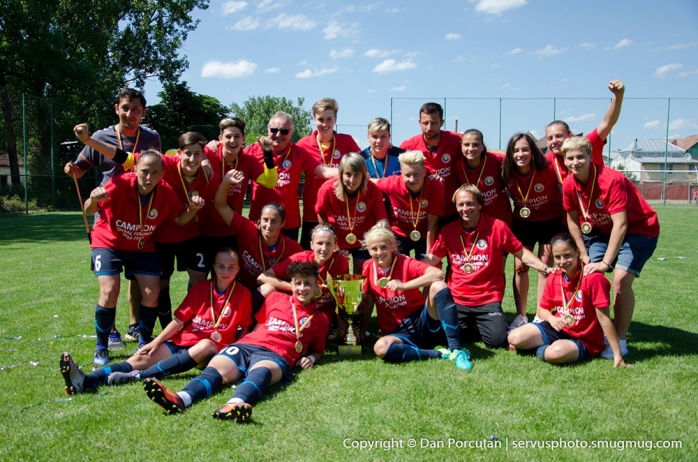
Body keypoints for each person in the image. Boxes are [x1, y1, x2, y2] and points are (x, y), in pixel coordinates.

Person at [73, 127, 217, 337]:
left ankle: (193, 325)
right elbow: (121, 155)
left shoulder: (206, 172)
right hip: (158, 237)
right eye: (188, 153)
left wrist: (207, 162)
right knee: (155, 285)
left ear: (204, 155)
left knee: (197, 280)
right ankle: (164, 329)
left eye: (198, 154)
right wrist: (88, 141)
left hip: (188, 233)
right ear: (178, 153)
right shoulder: (162, 164)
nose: (193, 158)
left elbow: (225, 146)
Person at [143, 262, 329, 422]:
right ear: (291, 285)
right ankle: (181, 398)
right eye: (297, 283)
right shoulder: (275, 298)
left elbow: (318, 350)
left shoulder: (321, 319)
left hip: (275, 355)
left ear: (316, 288)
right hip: (247, 345)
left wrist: (311, 358)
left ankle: (235, 404)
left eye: (307, 284)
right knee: (216, 370)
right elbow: (258, 325)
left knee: (261, 372)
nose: (302, 288)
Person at [59, 248, 253, 393]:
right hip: (183, 342)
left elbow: (244, 327)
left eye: (231, 267)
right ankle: (86, 381)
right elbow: (177, 321)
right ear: (213, 266)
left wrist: (233, 353)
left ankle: (139, 376)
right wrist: (155, 341)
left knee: (205, 344)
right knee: (139, 357)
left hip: (212, 351)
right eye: (221, 266)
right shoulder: (201, 289)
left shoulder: (243, 295)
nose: (225, 271)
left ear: (238, 269)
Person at [84, 150, 204, 365]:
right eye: (144, 172)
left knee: (153, 290)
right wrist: (93, 199)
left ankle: (144, 341)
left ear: (162, 174)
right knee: (110, 290)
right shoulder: (119, 183)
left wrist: (193, 209)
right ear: (135, 170)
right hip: (108, 243)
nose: (149, 178)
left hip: (141, 246)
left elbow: (179, 220)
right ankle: (101, 346)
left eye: (155, 173)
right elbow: (88, 209)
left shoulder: (166, 192)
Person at [65, 88, 162, 348]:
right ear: (116, 109)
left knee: (138, 277)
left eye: (136, 110)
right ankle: (111, 331)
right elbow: (80, 169)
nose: (130, 114)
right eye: (125, 108)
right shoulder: (100, 137)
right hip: (108, 213)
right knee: (110, 283)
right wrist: (72, 170)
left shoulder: (151, 138)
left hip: (140, 216)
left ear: (144, 112)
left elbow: (156, 168)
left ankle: (134, 325)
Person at [561, 136, 659, 358]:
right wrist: (584, 254)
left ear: (590, 157)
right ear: (564, 160)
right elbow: (572, 221)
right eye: (570, 158)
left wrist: (606, 263)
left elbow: (621, 224)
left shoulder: (611, 180)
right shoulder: (569, 183)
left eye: (580, 157)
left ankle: (620, 340)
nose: (575, 162)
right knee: (588, 275)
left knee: (621, 280)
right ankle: (590, 333)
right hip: (602, 232)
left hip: (640, 230)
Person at [422, 184, 550, 350]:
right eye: (460, 205)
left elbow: (522, 253)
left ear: (480, 204)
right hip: (458, 299)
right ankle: (472, 325)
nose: (465, 208)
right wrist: (403, 264)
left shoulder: (497, 227)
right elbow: (433, 259)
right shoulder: (448, 230)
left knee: (496, 342)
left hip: (487, 298)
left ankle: (479, 324)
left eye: (470, 203)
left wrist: (545, 268)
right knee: (448, 338)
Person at [360, 221, 472, 369]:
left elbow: (437, 274)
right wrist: (361, 330)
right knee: (380, 348)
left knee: (439, 286)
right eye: (374, 249)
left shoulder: (405, 262)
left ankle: (456, 349)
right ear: (368, 250)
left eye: (383, 247)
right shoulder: (367, 267)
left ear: (392, 246)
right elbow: (368, 302)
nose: (379, 252)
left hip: (422, 321)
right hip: (397, 331)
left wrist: (405, 285)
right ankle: (438, 354)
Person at [508, 234, 630, 367]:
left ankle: (542, 349)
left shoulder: (594, 279)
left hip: (584, 339)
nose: (562, 261)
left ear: (577, 251)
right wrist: (552, 319)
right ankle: (549, 345)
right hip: (558, 329)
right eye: (557, 257)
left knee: (554, 353)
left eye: (567, 255)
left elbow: (604, 318)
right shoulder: (555, 276)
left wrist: (617, 354)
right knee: (514, 337)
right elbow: (543, 310)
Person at [501, 133, 564, 330]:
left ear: (533, 151)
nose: (520, 154)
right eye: (516, 150)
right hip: (522, 223)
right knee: (520, 268)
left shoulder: (548, 168)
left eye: (525, 149)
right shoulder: (506, 171)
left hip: (549, 222)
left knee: (544, 267)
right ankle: (521, 316)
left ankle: (540, 314)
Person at [199, 117, 278, 268]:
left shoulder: (247, 160)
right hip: (203, 230)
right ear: (220, 139)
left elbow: (270, 182)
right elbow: (180, 155)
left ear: (243, 139)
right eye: (228, 136)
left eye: (237, 136)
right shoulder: (209, 152)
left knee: (227, 277)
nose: (232, 140)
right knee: (199, 280)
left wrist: (267, 153)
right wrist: (203, 157)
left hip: (230, 231)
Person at [248, 111, 338, 241]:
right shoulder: (252, 151)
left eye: (284, 131)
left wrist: (352, 172)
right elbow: (232, 158)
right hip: (260, 222)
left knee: (289, 261)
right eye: (274, 130)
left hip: (289, 223)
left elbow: (323, 171)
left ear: (291, 132)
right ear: (267, 130)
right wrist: (214, 147)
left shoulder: (299, 152)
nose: (278, 135)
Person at [214, 170, 303, 301]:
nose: (269, 225)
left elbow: (310, 266)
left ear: (283, 223)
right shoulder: (247, 229)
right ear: (259, 221)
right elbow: (220, 206)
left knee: (267, 288)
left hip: (271, 295)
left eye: (274, 221)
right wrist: (226, 182)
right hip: (241, 286)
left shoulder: (292, 248)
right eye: (265, 220)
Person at [257, 224, 349, 338]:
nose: (324, 248)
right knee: (266, 289)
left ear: (335, 246)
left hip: (322, 312)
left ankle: (335, 327)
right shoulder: (300, 259)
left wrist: (343, 329)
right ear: (311, 245)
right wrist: (293, 287)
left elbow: (341, 297)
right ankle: (253, 324)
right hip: (296, 307)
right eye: (319, 243)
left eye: (329, 244)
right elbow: (262, 277)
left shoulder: (341, 261)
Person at [297, 98, 361, 249]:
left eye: (329, 119)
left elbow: (364, 164)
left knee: (340, 260)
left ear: (335, 119)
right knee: (310, 262)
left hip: (341, 215)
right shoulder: (303, 144)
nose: (325, 124)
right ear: (313, 119)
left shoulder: (347, 141)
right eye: (320, 119)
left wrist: (387, 148)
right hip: (313, 213)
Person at [316, 153, 387, 273]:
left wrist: (380, 243)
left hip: (364, 238)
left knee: (362, 272)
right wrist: (332, 242)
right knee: (338, 272)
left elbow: (381, 219)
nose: (352, 180)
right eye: (348, 174)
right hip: (338, 237)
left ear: (363, 175)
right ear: (341, 174)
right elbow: (320, 212)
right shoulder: (328, 188)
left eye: (357, 175)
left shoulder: (372, 190)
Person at [545, 80, 625, 184]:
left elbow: (607, 123)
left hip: (600, 197)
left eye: (559, 136)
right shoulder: (546, 160)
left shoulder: (587, 144)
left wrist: (618, 97)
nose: (554, 141)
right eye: (550, 138)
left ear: (570, 136)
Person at [400, 102, 463, 221]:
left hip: (452, 211)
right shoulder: (409, 146)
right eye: (425, 123)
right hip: (423, 213)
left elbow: (479, 151)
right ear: (419, 122)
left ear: (442, 123)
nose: (429, 128)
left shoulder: (456, 141)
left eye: (433, 123)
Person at [375, 150, 443, 259]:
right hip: (399, 234)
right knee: (397, 269)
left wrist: (429, 256)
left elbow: (432, 225)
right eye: (407, 175)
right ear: (401, 173)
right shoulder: (392, 184)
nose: (412, 180)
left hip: (424, 235)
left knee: (429, 269)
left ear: (424, 172)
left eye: (416, 174)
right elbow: (371, 183)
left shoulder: (436, 186)